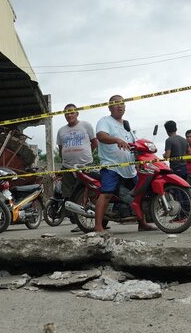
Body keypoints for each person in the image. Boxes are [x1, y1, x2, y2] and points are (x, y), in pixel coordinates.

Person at [94, 95, 154, 233]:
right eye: (115, 103)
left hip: (129, 168)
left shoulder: (126, 126)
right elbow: (101, 136)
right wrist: (116, 140)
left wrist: (140, 157)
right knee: (106, 194)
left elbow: (134, 144)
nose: (119, 106)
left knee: (139, 194)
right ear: (109, 107)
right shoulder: (105, 121)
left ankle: (142, 223)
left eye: (122, 103)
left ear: (125, 107)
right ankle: (98, 227)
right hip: (111, 165)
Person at [57, 103, 97, 200]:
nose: (69, 115)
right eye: (66, 113)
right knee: (67, 193)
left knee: (88, 190)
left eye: (72, 113)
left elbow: (94, 143)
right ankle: (69, 214)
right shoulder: (61, 131)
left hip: (86, 165)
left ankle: (88, 212)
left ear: (77, 114)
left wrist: (86, 154)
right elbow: (61, 148)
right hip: (67, 167)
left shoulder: (86, 126)